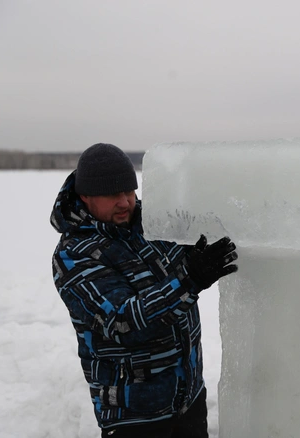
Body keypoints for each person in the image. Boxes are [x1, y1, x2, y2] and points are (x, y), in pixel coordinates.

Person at [50, 143, 238, 438]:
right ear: (85, 196)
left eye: (129, 191)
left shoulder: (152, 224)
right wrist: (190, 280)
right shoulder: (73, 256)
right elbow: (124, 322)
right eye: (113, 194)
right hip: (135, 419)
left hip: (188, 400)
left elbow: (191, 252)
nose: (125, 202)